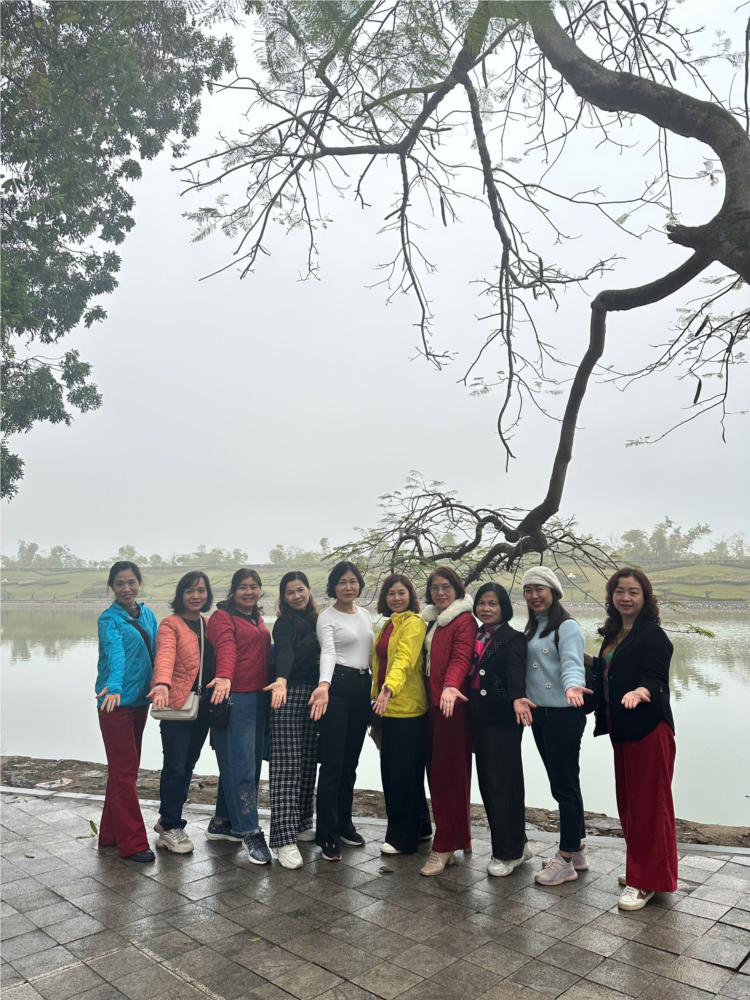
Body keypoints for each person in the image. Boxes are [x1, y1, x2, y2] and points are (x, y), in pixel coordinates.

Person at [586, 568, 677, 911]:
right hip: (622, 729)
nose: (625, 597)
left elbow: (655, 676)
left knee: (649, 807)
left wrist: (641, 691)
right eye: (619, 591)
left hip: (648, 729)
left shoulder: (653, 635)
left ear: (645, 597)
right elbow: (608, 671)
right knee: (630, 804)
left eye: (633, 592)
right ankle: (643, 868)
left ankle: (646, 881)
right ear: (611, 596)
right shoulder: (615, 633)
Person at [522, 566, 592, 886]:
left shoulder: (567, 626)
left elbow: (572, 664)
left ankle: (564, 861)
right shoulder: (533, 626)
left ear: (554, 592)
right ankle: (576, 851)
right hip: (540, 714)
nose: (534, 595)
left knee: (564, 786)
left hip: (563, 713)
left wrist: (573, 686)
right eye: (528, 590)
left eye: (540, 589)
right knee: (562, 783)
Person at [149, 572, 227, 854]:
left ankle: (166, 818)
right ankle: (171, 828)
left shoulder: (208, 624)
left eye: (201, 591)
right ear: (180, 595)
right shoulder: (171, 624)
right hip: (177, 703)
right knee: (174, 765)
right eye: (190, 591)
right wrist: (161, 683)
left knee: (188, 765)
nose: (196, 596)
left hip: (203, 706)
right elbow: (165, 655)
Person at [206, 568, 272, 864]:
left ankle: (222, 822)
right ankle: (250, 831)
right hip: (235, 699)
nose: (249, 592)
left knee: (244, 763)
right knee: (244, 769)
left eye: (254, 586)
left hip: (258, 698)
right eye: (243, 587)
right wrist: (224, 677)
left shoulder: (256, 618)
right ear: (233, 591)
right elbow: (226, 649)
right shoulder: (223, 618)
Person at [470, 582, 535, 876]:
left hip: (502, 719)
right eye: (482, 603)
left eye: (493, 603)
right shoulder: (475, 634)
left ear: (504, 607)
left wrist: (518, 696)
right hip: (477, 717)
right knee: (489, 782)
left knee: (502, 783)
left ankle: (508, 854)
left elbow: (515, 671)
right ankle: (519, 844)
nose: (486, 608)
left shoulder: (512, 638)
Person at [95, 561, 157, 862]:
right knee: (126, 770)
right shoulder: (108, 619)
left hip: (140, 702)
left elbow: (157, 652)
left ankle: (109, 835)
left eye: (131, 582)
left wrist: (163, 685)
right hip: (114, 703)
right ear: (112, 587)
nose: (126, 588)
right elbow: (115, 653)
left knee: (123, 770)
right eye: (119, 583)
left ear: (138, 583)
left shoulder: (148, 614)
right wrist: (115, 687)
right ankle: (133, 843)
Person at [314, 561, 374, 861]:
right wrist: (324, 685)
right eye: (341, 582)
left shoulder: (364, 614)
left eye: (352, 581)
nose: (348, 587)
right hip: (337, 688)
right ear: (333, 587)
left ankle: (344, 824)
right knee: (333, 765)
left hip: (363, 688)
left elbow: (370, 653)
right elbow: (328, 652)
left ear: (359, 584)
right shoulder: (326, 617)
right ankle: (327, 833)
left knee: (350, 763)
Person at [419, 566, 475, 876]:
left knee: (447, 776)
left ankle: (444, 846)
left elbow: (461, 657)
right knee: (444, 774)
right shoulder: (433, 620)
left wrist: (451, 686)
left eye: (446, 587)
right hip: (433, 706)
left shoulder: (462, 620)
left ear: (457, 589)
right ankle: (458, 837)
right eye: (435, 588)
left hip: (451, 707)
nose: (440, 592)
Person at [264, 571, 320, 869]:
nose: (296, 596)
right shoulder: (284, 623)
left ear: (309, 590)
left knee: (308, 762)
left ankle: (302, 822)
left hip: (315, 696)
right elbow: (284, 651)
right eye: (290, 592)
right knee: (286, 766)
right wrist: (282, 680)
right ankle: (283, 839)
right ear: (283, 597)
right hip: (286, 694)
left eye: (300, 590)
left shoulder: (318, 620)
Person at [372, 574, 431, 855]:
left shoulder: (414, 623)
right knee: (402, 771)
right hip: (387, 708)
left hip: (406, 709)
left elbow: (404, 659)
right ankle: (422, 828)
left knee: (400, 775)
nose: (396, 598)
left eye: (401, 592)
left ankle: (401, 839)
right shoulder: (389, 624)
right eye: (391, 593)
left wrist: (388, 688)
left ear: (411, 595)